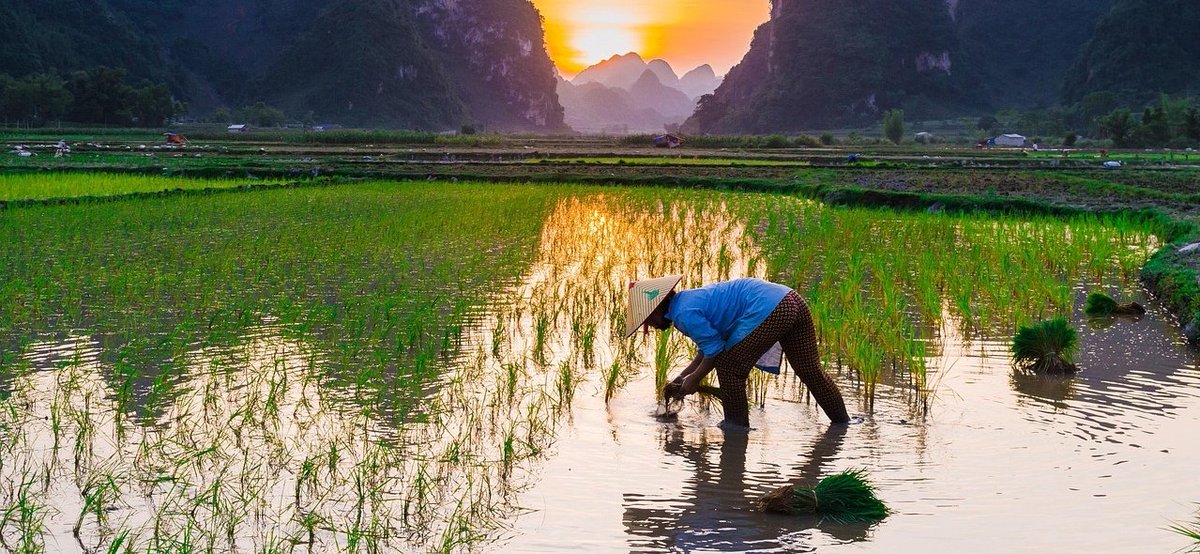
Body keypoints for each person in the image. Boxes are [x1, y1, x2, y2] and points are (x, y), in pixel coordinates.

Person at [626, 276, 850, 427]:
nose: (652, 327)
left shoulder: (683, 314)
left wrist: (694, 380)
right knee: (810, 371)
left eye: (648, 321)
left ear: (656, 310)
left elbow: (715, 351)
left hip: (770, 308)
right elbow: (706, 350)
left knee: (729, 368)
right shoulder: (687, 302)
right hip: (791, 300)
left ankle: (735, 429)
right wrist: (682, 377)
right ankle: (842, 424)